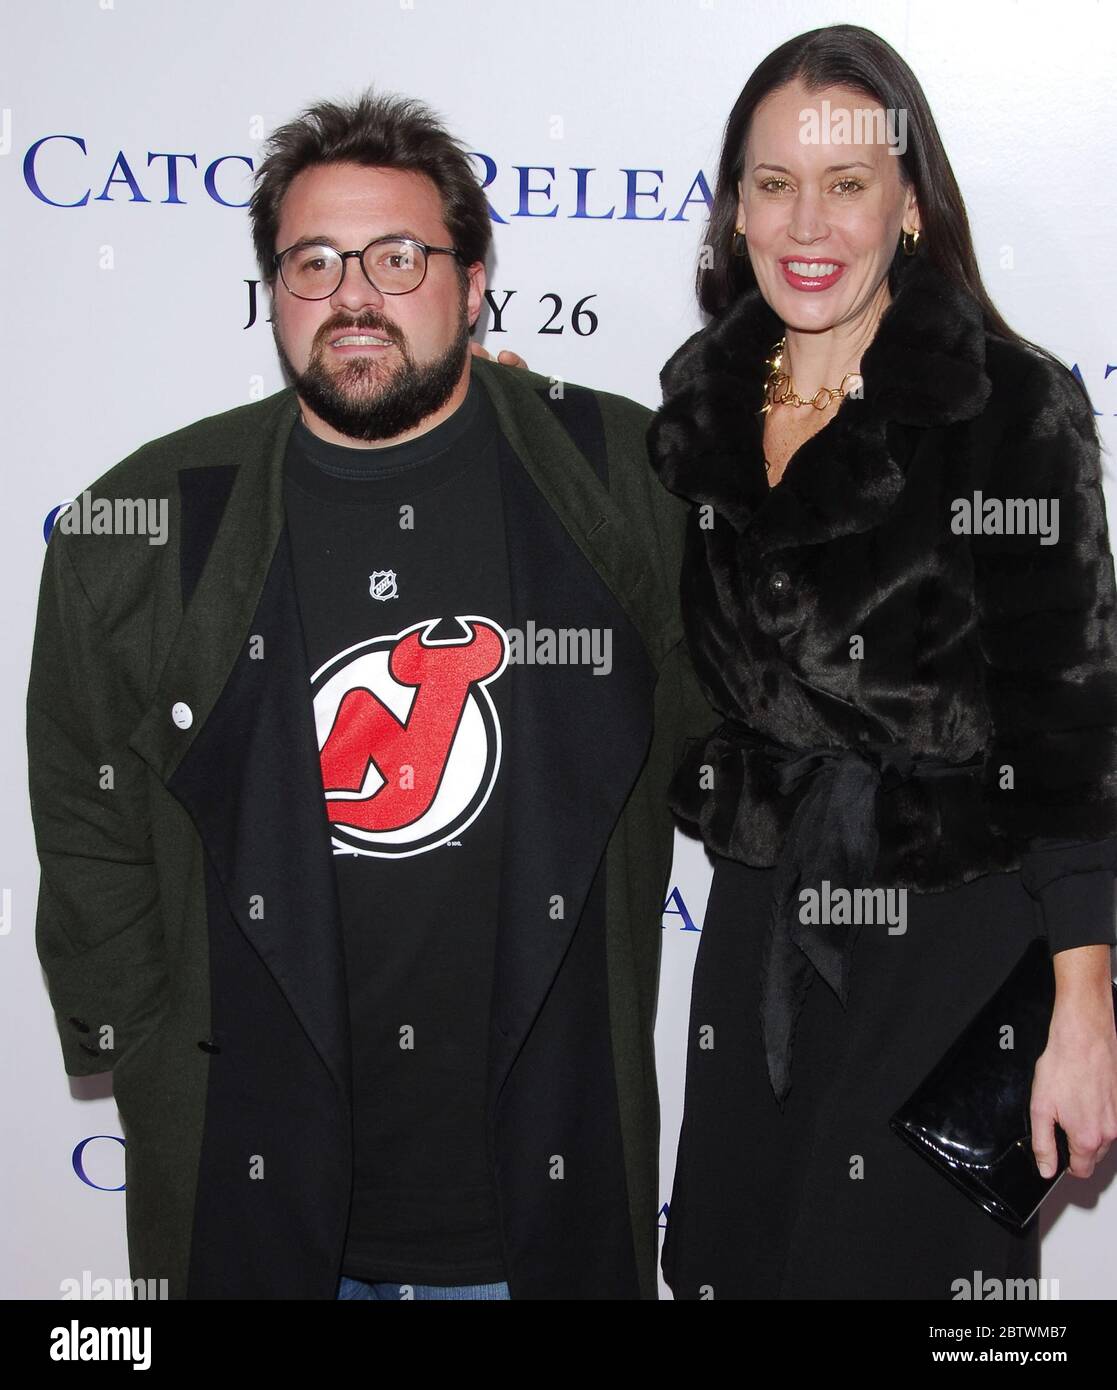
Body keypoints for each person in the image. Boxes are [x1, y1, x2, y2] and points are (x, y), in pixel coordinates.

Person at [27, 89, 708, 1300]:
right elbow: (87, 814)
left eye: (398, 257)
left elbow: (743, 753)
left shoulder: (625, 485)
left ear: (475, 278)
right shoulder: (141, 527)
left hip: (536, 1208)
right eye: (312, 262)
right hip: (259, 1209)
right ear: (271, 293)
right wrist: (143, 1045)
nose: (353, 295)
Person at [648, 24, 1117, 1299]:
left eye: (846, 182)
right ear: (734, 207)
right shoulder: (695, 416)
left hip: (949, 937)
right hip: (757, 922)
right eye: (773, 180)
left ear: (907, 205)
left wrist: (1085, 1007)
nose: (809, 219)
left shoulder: (1008, 407)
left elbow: (1070, 722)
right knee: (734, 1260)